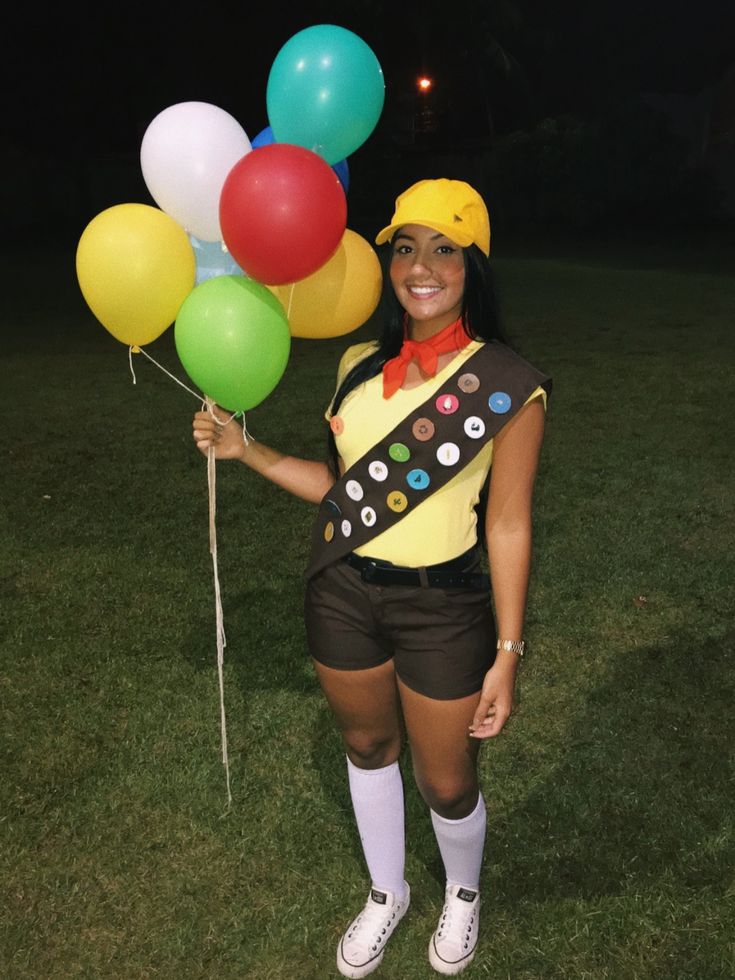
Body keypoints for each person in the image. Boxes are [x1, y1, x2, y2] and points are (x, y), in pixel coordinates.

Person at [192, 178, 551, 977]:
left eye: (444, 248)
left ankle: (462, 891)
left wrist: (507, 650)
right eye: (404, 247)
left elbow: (507, 522)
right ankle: (386, 892)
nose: (420, 266)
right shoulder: (358, 364)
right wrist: (243, 449)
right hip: (344, 589)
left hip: (443, 605)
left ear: (474, 266)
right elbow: (344, 488)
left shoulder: (507, 386)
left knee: (448, 778)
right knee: (365, 745)